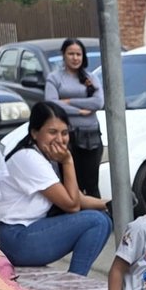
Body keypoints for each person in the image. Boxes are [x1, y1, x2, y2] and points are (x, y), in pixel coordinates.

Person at [0, 102, 112, 277]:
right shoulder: (28, 158)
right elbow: (71, 205)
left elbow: (77, 197)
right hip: (12, 238)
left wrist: (110, 204)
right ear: (35, 133)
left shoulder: (44, 155)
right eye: (52, 132)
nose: (59, 139)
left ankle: (76, 279)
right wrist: (68, 161)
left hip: (23, 232)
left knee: (104, 218)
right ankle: (75, 281)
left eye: (64, 133)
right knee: (97, 222)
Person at [44, 38, 105, 198]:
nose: (75, 57)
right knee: (70, 183)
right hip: (66, 137)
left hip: (91, 137)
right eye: (71, 53)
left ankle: (98, 217)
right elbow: (51, 103)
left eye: (78, 54)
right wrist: (80, 111)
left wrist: (69, 101)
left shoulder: (90, 78)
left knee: (91, 184)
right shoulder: (55, 78)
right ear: (63, 55)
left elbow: (98, 102)